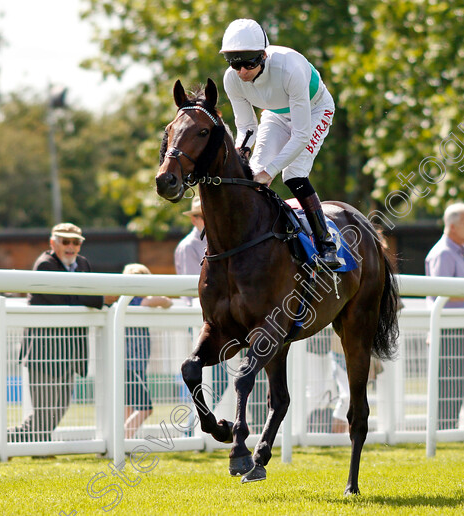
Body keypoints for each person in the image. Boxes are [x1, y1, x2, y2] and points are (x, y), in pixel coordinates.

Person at [220, 18, 340, 269]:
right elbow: (247, 127)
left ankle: (325, 243)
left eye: (248, 62)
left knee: (293, 174)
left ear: (263, 56)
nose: (241, 71)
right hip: (275, 114)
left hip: (315, 109)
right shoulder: (231, 79)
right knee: (252, 173)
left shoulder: (290, 68)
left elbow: (301, 135)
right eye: (234, 62)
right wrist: (242, 151)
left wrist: (271, 171)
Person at [9, 223, 104, 443]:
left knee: (60, 407)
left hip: (71, 350)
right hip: (44, 350)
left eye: (76, 242)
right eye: (65, 242)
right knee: (44, 411)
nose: (71, 247)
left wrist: (95, 298)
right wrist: (99, 299)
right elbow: (67, 298)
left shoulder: (83, 263)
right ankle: (16, 444)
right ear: (53, 243)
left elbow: (80, 296)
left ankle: (14, 442)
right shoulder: (45, 265)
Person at [424, 202, 464, 429]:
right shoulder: (444, 253)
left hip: (457, 328)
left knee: (456, 385)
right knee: (447, 387)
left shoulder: (460, 252)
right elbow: (440, 293)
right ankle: (442, 433)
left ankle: (448, 432)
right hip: (446, 330)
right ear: (452, 227)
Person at [173, 195, 230, 416]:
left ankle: (197, 422)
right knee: (204, 373)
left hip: (216, 316)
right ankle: (190, 425)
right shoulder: (189, 246)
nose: (205, 219)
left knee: (218, 377)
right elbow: (192, 287)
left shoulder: (217, 239)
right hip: (200, 316)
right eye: (201, 216)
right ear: (194, 219)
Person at [122, 263, 173, 438]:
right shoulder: (136, 302)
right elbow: (163, 301)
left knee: (128, 407)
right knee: (145, 409)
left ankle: (119, 440)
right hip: (133, 365)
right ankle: (123, 440)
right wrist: (167, 300)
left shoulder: (126, 304)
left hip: (130, 365)